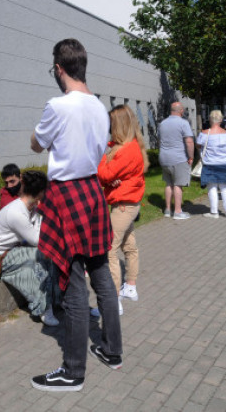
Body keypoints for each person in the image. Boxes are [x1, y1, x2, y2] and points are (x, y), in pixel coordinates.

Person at [30, 38, 121, 392]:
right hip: (92, 191)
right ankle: (113, 351)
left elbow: (37, 143)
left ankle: (73, 370)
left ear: (59, 68)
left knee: (72, 285)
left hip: (67, 192)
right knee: (102, 277)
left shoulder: (57, 105)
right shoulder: (99, 107)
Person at [0, 170, 59, 326]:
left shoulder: (29, 207)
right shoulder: (16, 212)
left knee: (47, 256)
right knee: (43, 254)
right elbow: (37, 240)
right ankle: (44, 308)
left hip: (13, 250)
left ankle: (54, 299)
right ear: (40, 193)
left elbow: (37, 230)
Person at [97, 104, 148, 316]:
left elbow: (104, 174)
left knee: (109, 250)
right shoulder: (131, 146)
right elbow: (112, 176)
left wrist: (101, 156)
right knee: (129, 245)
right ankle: (131, 287)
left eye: (111, 123)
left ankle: (113, 300)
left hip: (123, 206)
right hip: (128, 204)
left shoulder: (126, 151)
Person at [158, 101, 194, 220]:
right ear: (181, 111)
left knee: (169, 184)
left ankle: (168, 209)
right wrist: (191, 156)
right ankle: (178, 211)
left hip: (164, 157)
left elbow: (160, 140)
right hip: (178, 158)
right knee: (178, 184)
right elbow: (189, 142)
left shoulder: (162, 123)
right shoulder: (183, 123)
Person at [196, 110, 226, 218]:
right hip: (225, 162)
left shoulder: (204, 133)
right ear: (221, 120)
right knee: (225, 187)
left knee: (212, 187)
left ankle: (214, 212)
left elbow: (198, 145)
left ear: (210, 119)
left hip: (210, 163)